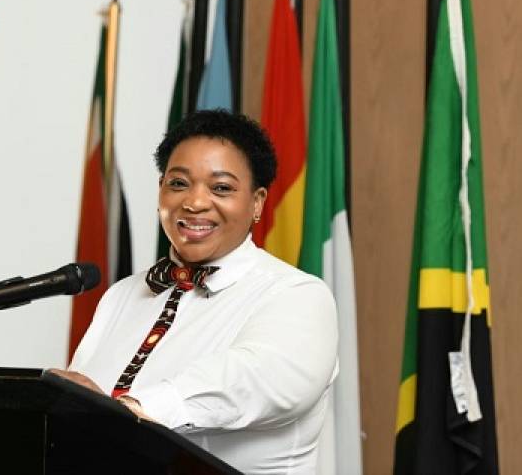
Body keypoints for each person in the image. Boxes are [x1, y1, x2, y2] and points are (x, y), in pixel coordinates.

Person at [55, 109, 338, 474]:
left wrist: (124, 412)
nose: (194, 202)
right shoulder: (122, 295)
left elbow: (250, 379)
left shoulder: (298, 296)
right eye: (178, 183)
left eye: (221, 187)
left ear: (257, 203)